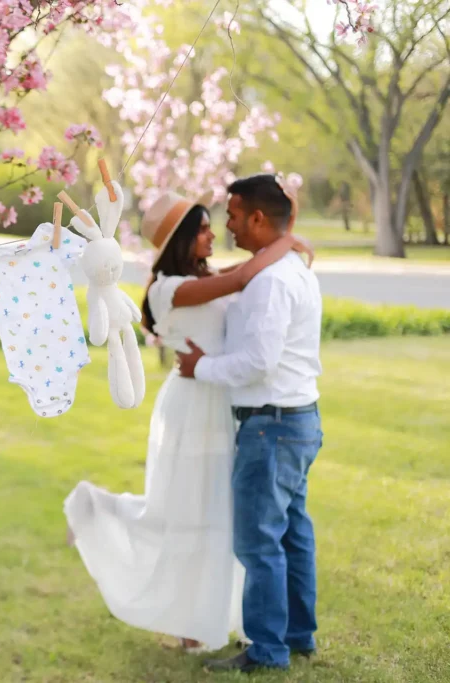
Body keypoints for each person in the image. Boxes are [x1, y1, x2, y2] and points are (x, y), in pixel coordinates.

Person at [64, 186, 313, 654]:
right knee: (184, 516)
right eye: (201, 228)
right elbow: (241, 281)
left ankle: (221, 615)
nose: (212, 232)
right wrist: (288, 242)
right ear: (181, 238)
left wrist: (284, 237)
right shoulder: (169, 289)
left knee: (219, 515)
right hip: (190, 409)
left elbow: (242, 274)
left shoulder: (206, 276)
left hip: (219, 405)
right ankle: (95, 510)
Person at [176, 174, 323, 673]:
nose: (229, 225)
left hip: (271, 425)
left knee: (259, 541)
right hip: (296, 420)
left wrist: (201, 368)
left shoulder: (272, 281)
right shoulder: (286, 269)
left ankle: (267, 651)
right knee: (291, 534)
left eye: (234, 215)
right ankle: (298, 634)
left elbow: (258, 361)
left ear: (258, 219)